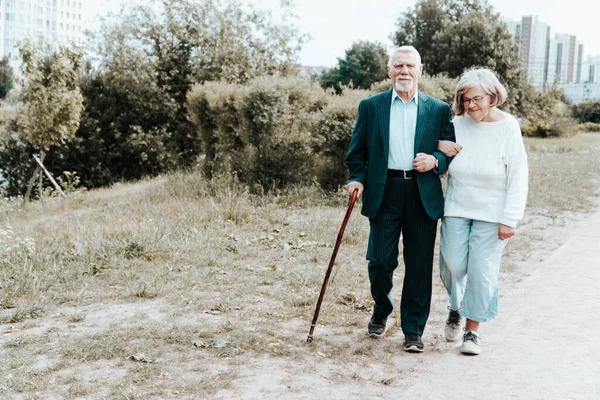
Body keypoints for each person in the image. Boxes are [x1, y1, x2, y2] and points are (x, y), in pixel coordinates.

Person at [345, 46, 455, 352]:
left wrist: (435, 161)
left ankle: (413, 330)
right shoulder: (371, 106)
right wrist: (355, 178)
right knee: (380, 261)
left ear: (421, 70)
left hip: (422, 193)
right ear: (389, 70)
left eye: (410, 66)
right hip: (385, 190)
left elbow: (449, 153)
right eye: (398, 66)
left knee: (419, 265)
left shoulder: (438, 109)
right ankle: (382, 308)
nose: (404, 71)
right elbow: (356, 154)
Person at [437, 68, 528, 355]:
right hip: (456, 206)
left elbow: (518, 174)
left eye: (476, 99)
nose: (471, 105)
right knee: (452, 264)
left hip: (493, 213)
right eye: (465, 100)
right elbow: (439, 154)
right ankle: (455, 306)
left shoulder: (508, 126)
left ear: (492, 96)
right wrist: (439, 146)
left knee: (482, 270)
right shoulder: (457, 124)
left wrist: (510, 218)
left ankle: (472, 331)